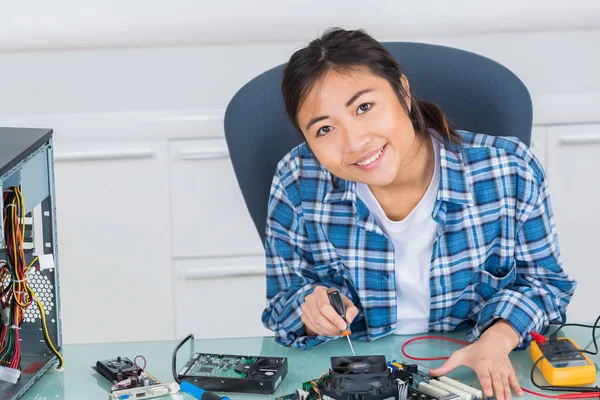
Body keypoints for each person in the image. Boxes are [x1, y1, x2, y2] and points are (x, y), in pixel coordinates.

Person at [261, 27, 576, 400]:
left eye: (364, 107)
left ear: (403, 93)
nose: (355, 142)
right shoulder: (296, 180)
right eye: (325, 128)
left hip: (466, 374)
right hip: (349, 381)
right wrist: (309, 310)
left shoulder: (509, 171)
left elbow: (544, 284)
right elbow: (284, 302)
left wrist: (498, 338)